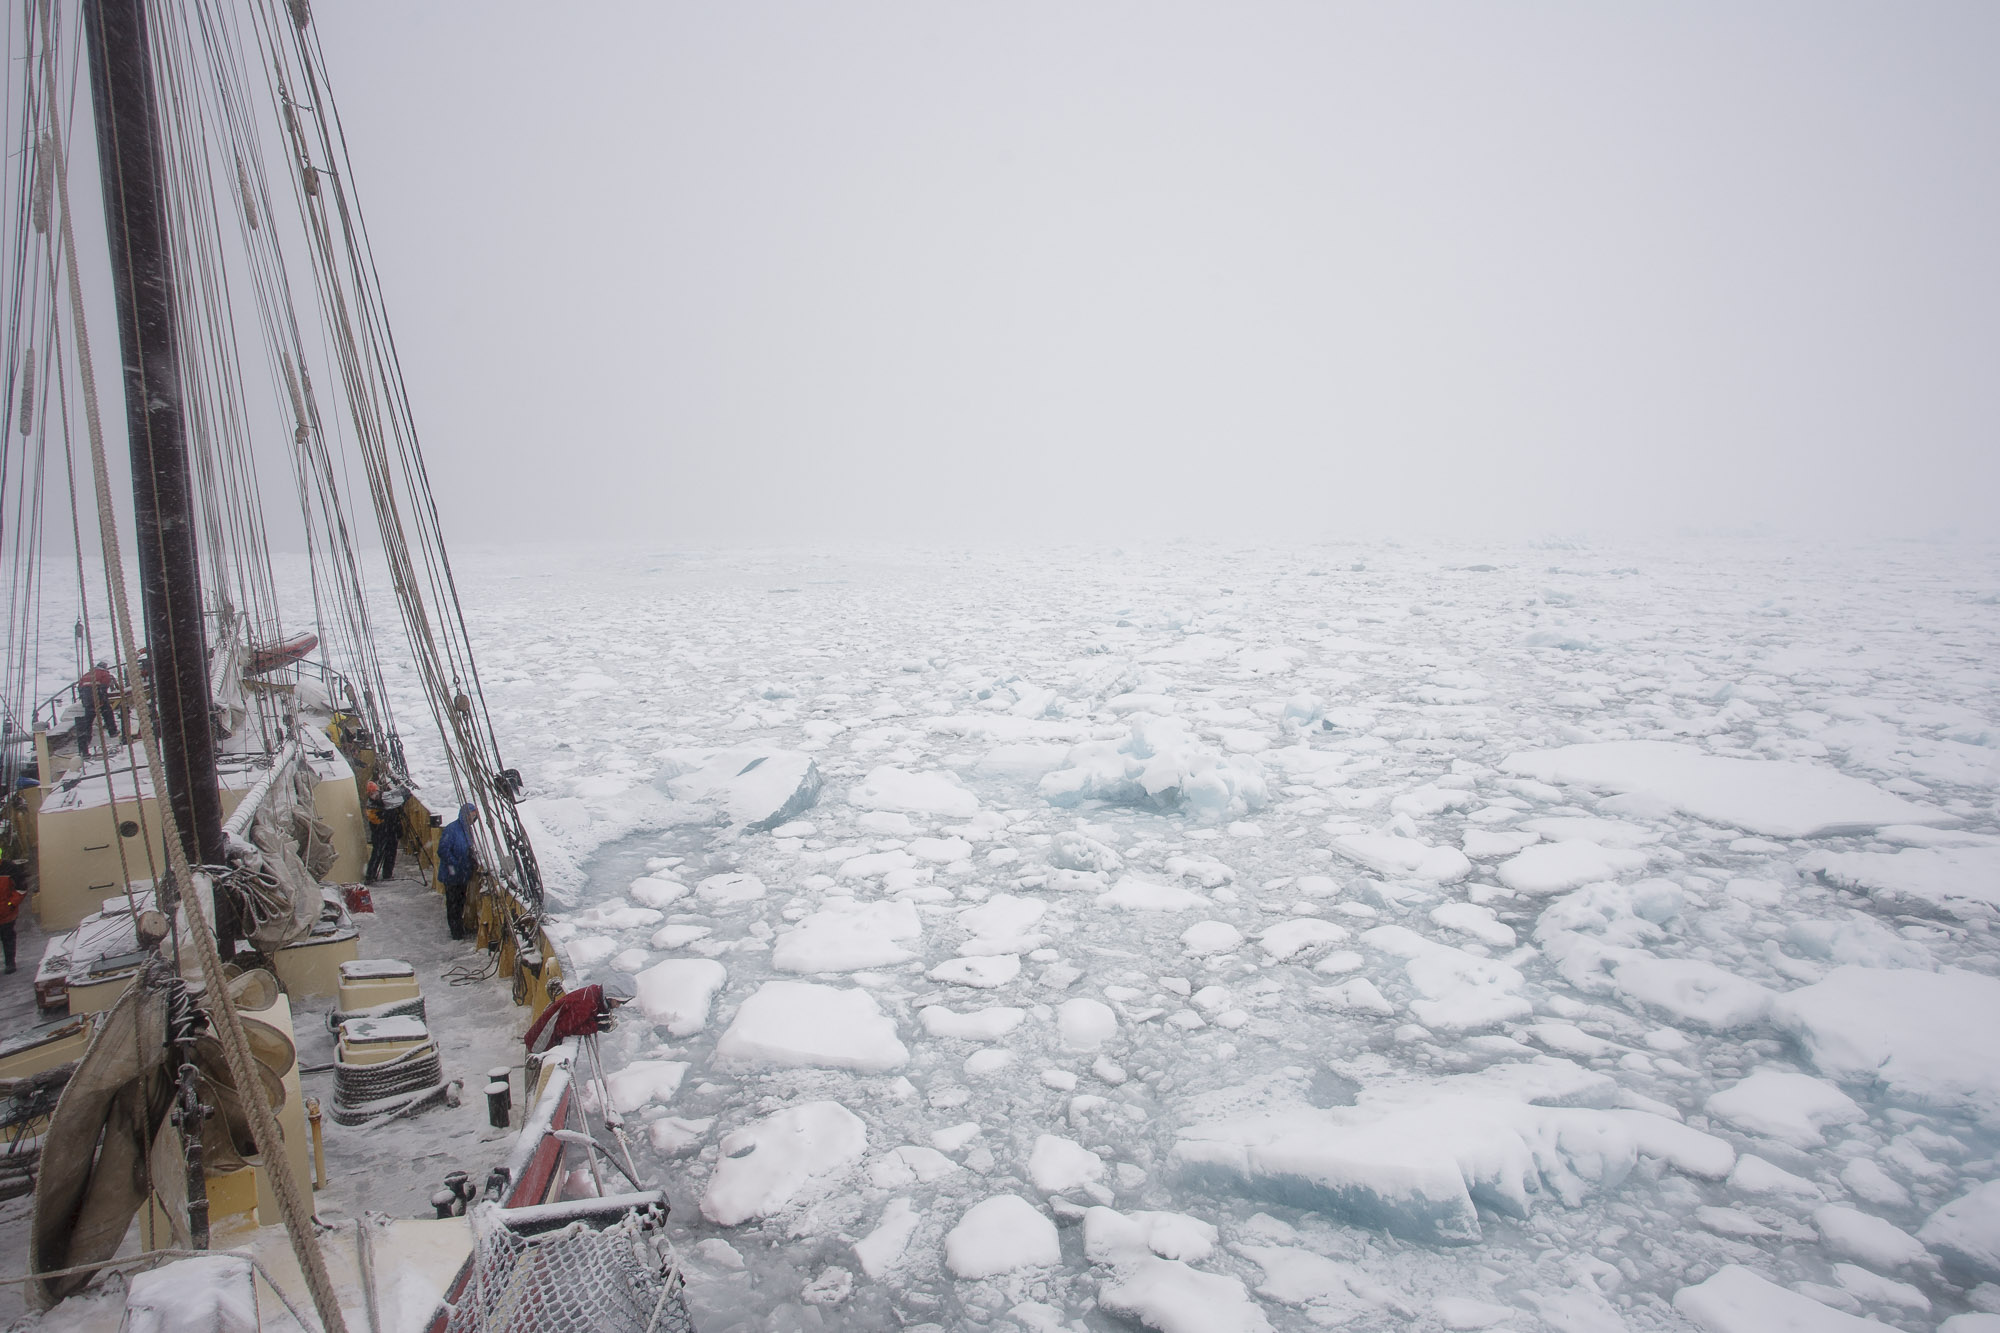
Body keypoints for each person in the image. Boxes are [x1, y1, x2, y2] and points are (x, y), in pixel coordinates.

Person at [521, 976, 634, 1056]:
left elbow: (578, 1018)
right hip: (539, 1045)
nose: (618, 1006)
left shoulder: (593, 994)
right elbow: (566, 1028)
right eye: (619, 1002)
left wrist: (597, 1020)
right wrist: (597, 1026)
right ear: (611, 995)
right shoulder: (586, 1002)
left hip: (538, 1039)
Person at [436, 801, 479, 941]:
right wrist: (455, 864)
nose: (473, 819)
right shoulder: (452, 829)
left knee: (460, 902)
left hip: (462, 875)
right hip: (452, 875)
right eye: (472, 815)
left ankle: (458, 928)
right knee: (453, 904)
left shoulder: (467, 830)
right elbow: (443, 850)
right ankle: (456, 931)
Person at [73, 661, 118, 758]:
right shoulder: (104, 674)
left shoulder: (87, 674)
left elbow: (80, 687)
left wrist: (84, 700)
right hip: (96, 696)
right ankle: (112, 731)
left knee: (88, 720)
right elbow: (104, 687)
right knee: (107, 713)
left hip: (87, 699)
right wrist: (102, 700)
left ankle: (87, 738)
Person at [365, 782, 403, 883]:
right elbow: (375, 821)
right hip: (380, 833)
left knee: (390, 853)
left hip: (390, 831)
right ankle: (370, 876)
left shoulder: (385, 801)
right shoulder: (371, 806)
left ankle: (387, 874)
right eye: (371, 793)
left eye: (375, 792)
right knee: (377, 853)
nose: (374, 795)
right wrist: (385, 814)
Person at [0, 861, 23, 974]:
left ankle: (10, 963)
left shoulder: (9, 868)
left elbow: (21, 888)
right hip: (7, 910)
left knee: (8, 937)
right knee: (8, 937)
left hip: (7, 913)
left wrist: (11, 904)